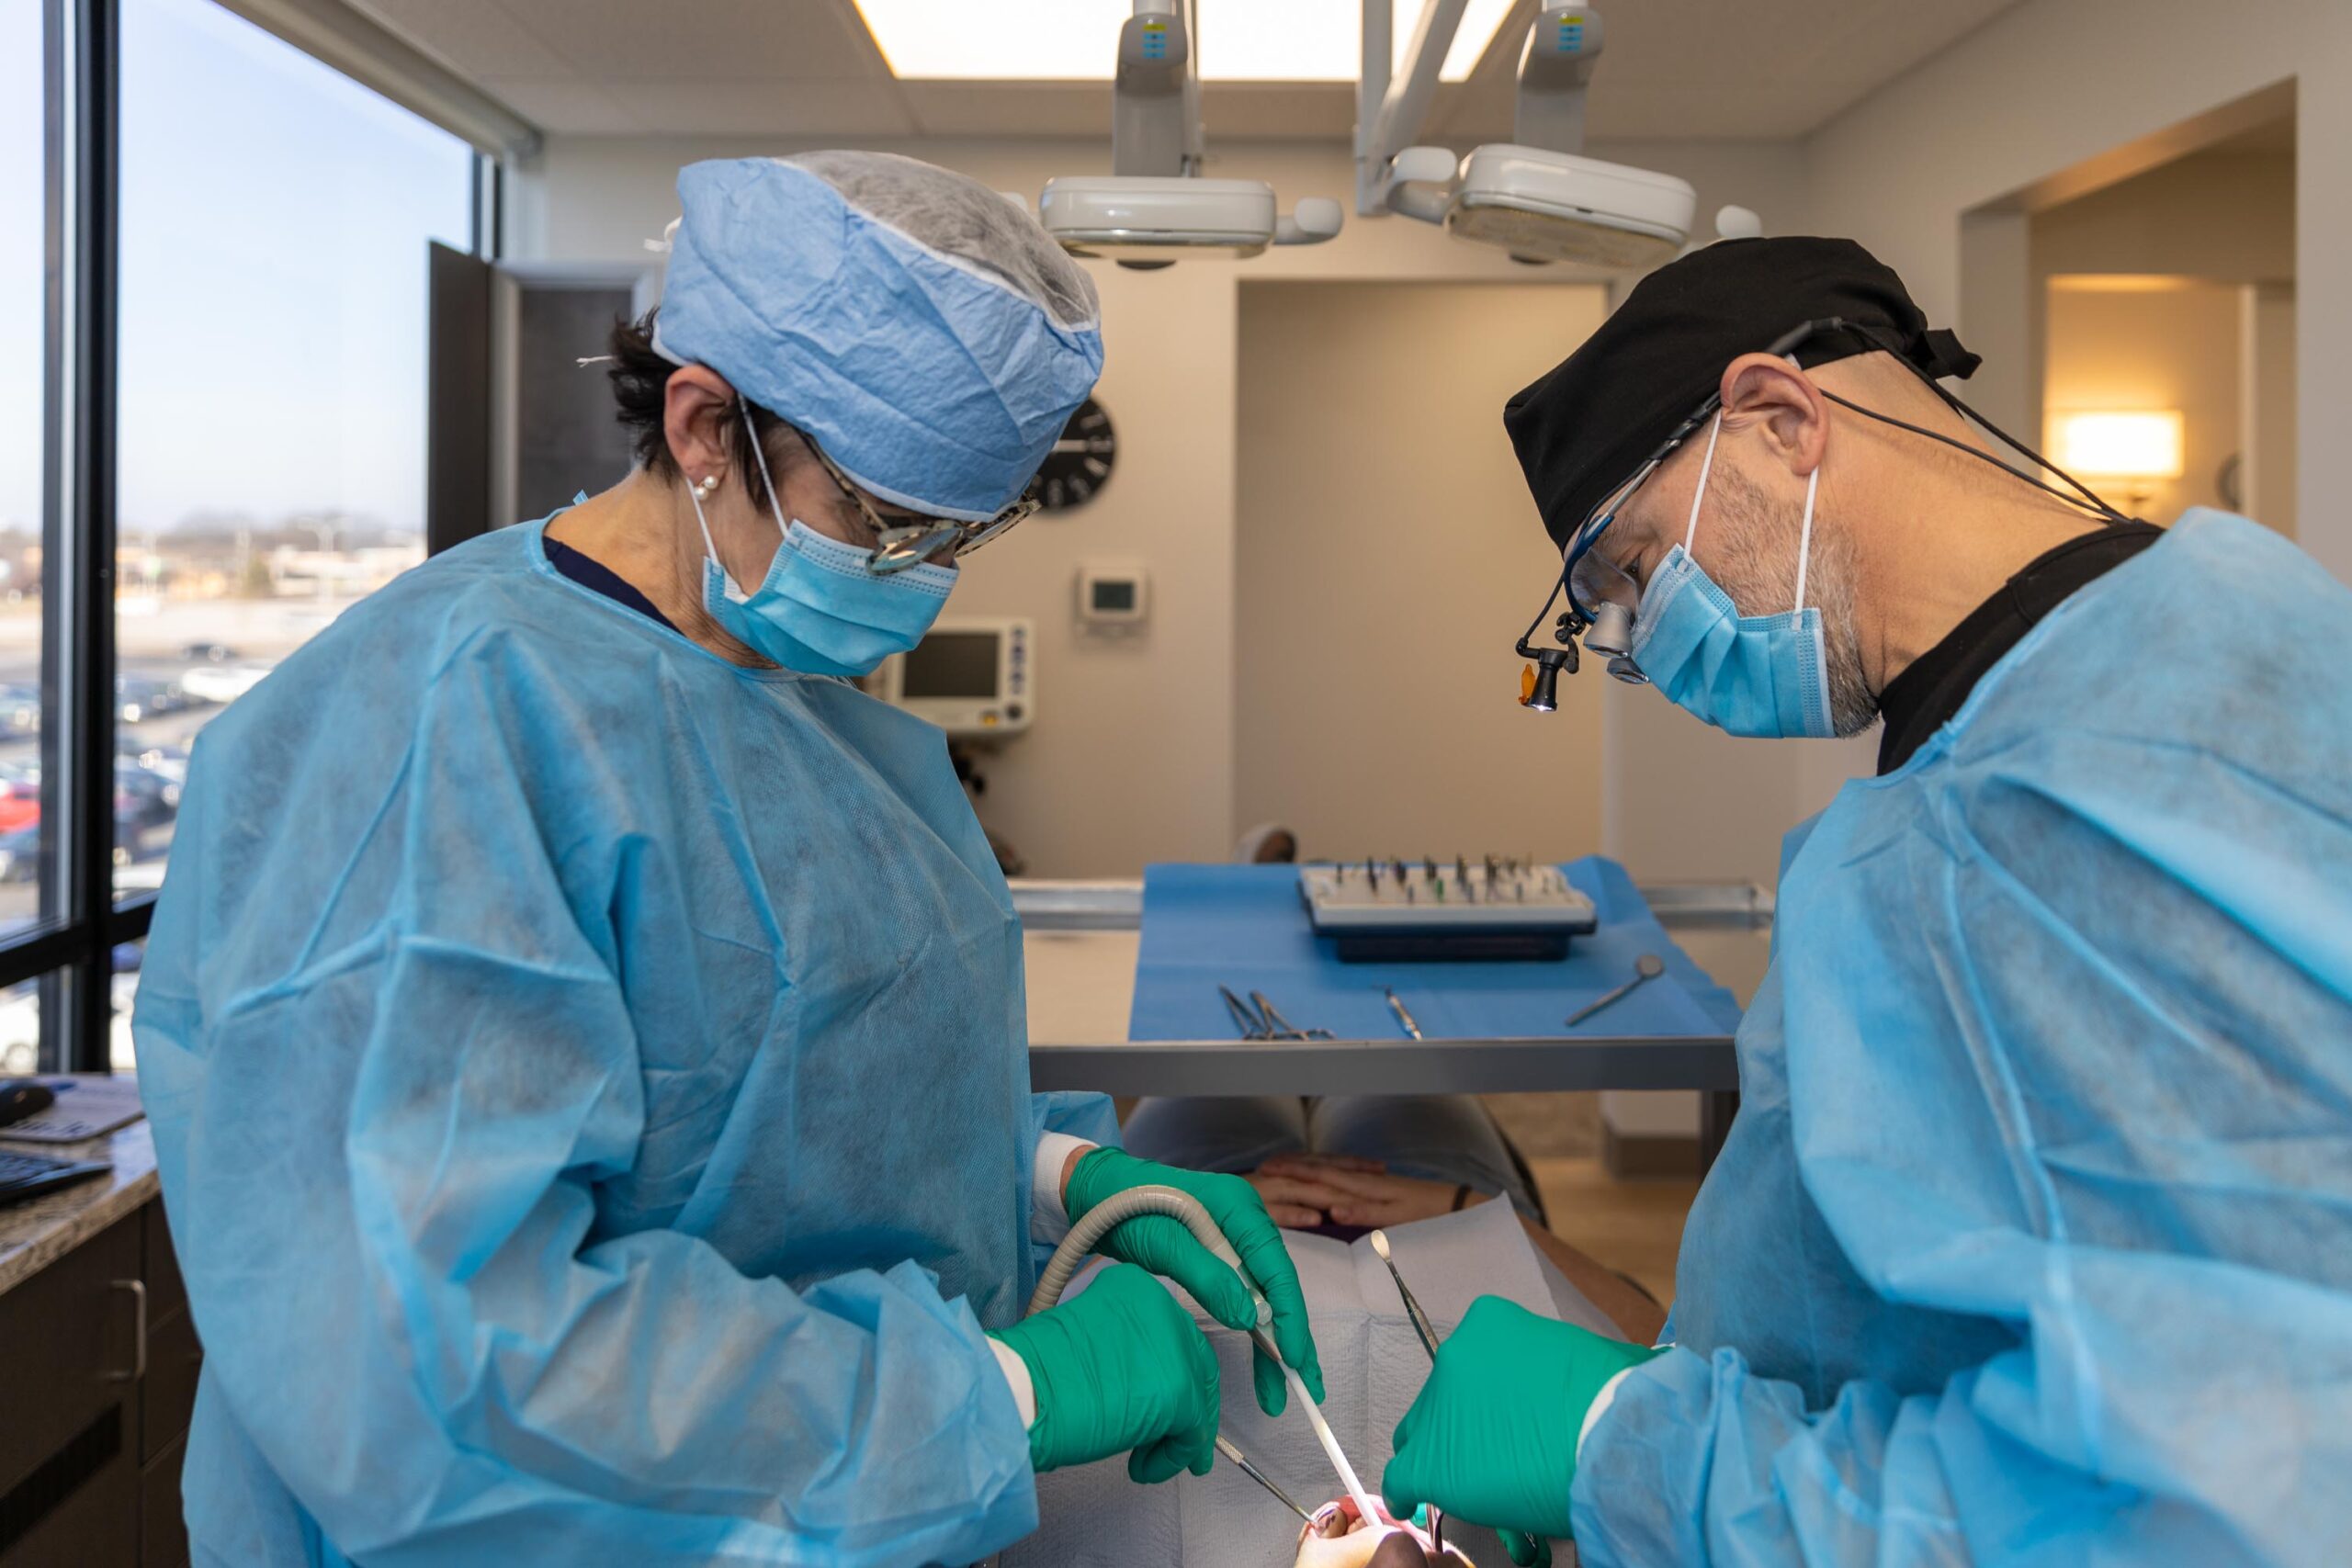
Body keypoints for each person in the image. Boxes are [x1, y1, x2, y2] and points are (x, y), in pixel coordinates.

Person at [134, 151, 1320, 1568]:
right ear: (705, 426)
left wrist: (1063, 1181)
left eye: (963, 533)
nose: (926, 577)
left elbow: (818, 1124)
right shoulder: (432, 727)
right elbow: (445, 1373)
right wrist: (1000, 1390)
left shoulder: (802, 699)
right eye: (889, 524)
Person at [1380, 236, 2352, 1566]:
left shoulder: (2042, 813)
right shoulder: (2210, 621)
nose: (1640, 649)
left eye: (1635, 570)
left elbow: (2210, 1494)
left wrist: (1633, 1446)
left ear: (1782, 421)